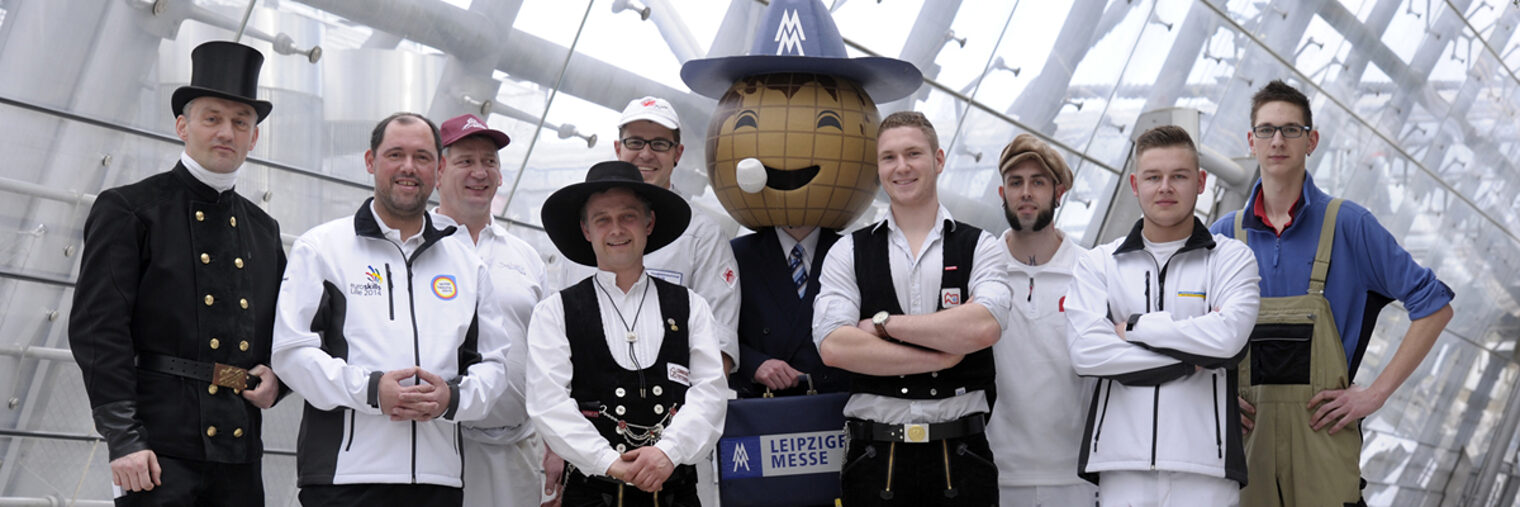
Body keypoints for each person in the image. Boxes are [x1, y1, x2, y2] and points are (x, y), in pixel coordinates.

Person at [1211, 80, 1455, 507]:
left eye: (1291, 129)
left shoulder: (1350, 225)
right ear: (1251, 142)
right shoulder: (1222, 237)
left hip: (1324, 445)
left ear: (1312, 140)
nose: (1278, 140)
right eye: (1266, 130)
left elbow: (1434, 307)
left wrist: (1375, 394)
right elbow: (1177, 329)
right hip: (1245, 450)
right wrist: (1210, 396)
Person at [69, 40, 285, 506]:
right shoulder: (129, 209)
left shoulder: (264, 229)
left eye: (240, 122)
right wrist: (123, 438)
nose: (227, 132)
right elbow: (97, 331)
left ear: (254, 137)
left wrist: (281, 380)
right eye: (212, 118)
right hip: (155, 453)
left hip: (240, 452)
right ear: (182, 126)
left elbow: (287, 327)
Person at [270, 112, 510, 506]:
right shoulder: (322, 248)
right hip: (342, 480)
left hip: (439, 481)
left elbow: (493, 365)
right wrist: (370, 390)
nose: (408, 168)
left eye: (422, 157)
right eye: (395, 154)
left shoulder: (466, 262)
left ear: (439, 167)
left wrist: (452, 399)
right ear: (370, 161)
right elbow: (291, 352)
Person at [812, 111, 1011, 506]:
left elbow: (984, 327)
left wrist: (885, 325)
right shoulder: (848, 251)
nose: (901, 167)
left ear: (937, 160)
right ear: (878, 168)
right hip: (875, 458)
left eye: (913, 153)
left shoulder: (981, 245)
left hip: (962, 454)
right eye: (888, 158)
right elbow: (834, 346)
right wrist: (943, 353)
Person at [1065, 125, 1259, 506]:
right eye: (1154, 177)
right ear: (1136, 185)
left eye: (1179, 176)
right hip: (1121, 466)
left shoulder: (1232, 258)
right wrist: (1191, 360)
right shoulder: (1099, 263)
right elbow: (1086, 352)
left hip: (1206, 467)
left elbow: (1228, 339)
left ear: (1201, 182)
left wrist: (1135, 327)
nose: (1165, 187)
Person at [527, 160, 727, 506]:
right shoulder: (555, 312)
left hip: (675, 495)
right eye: (602, 219)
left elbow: (710, 392)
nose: (616, 229)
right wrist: (609, 462)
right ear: (586, 230)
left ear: (649, 223)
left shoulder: (690, 305)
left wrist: (667, 452)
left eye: (628, 216)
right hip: (592, 495)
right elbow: (548, 404)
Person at [559, 96, 740, 375]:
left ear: (677, 153)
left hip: (672, 410)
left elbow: (718, 349)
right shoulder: (579, 233)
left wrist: (684, 415)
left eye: (659, 144)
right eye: (635, 142)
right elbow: (559, 334)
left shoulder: (703, 236)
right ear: (618, 148)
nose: (646, 153)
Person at [431, 113, 552, 507]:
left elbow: (550, 359)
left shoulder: (527, 257)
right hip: (433, 446)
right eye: (466, 161)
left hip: (516, 451)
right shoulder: (413, 249)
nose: (480, 172)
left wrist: (556, 444)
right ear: (439, 171)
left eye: (490, 161)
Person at [984, 134, 1098, 506]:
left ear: (1059, 192)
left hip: (1077, 476)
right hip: (995, 471)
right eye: (1015, 182)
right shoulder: (980, 271)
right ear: (1002, 193)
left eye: (1038, 182)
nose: (1026, 192)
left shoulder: (1093, 271)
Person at [729, 223, 846, 397]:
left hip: (838, 404)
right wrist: (753, 364)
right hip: (762, 406)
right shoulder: (737, 252)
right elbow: (711, 329)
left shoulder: (852, 250)